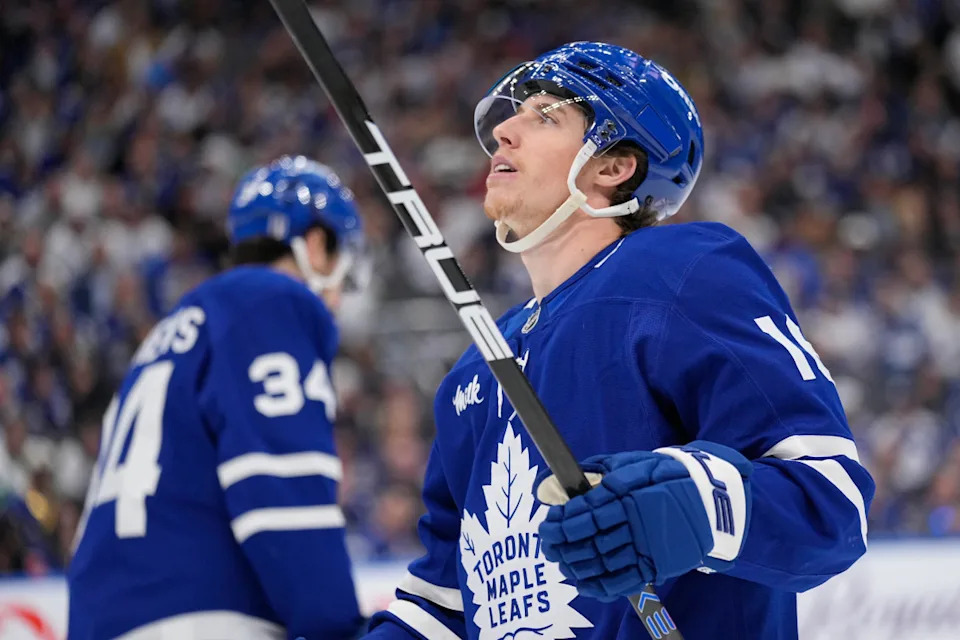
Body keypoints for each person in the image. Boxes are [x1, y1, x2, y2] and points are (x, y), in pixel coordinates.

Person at [364, 42, 874, 640]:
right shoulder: (474, 371)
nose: (503, 130)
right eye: (514, 115)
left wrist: (691, 507)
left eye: (545, 116)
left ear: (612, 167)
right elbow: (446, 605)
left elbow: (832, 504)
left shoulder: (684, 272)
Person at [68, 156, 367, 640]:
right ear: (315, 247)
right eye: (343, 277)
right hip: (206, 615)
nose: (336, 301)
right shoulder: (272, 302)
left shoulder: (169, 332)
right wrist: (337, 625)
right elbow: (279, 491)